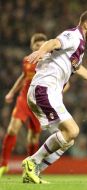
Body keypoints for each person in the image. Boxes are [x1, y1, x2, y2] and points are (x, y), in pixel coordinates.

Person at [21, 10, 87, 184]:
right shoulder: (72, 36)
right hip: (44, 88)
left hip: (49, 92)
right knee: (72, 131)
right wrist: (41, 51)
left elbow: (78, 68)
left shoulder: (80, 46)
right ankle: (32, 162)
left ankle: (34, 171)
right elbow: (53, 42)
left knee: (68, 140)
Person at [0, 33, 47, 178]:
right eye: (37, 45)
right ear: (32, 46)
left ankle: (30, 168)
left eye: (42, 45)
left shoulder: (50, 61)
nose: (39, 47)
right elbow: (23, 76)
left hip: (39, 103)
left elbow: (67, 83)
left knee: (33, 138)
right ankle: (3, 165)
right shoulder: (27, 60)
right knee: (12, 129)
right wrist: (11, 92)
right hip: (23, 100)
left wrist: (56, 93)